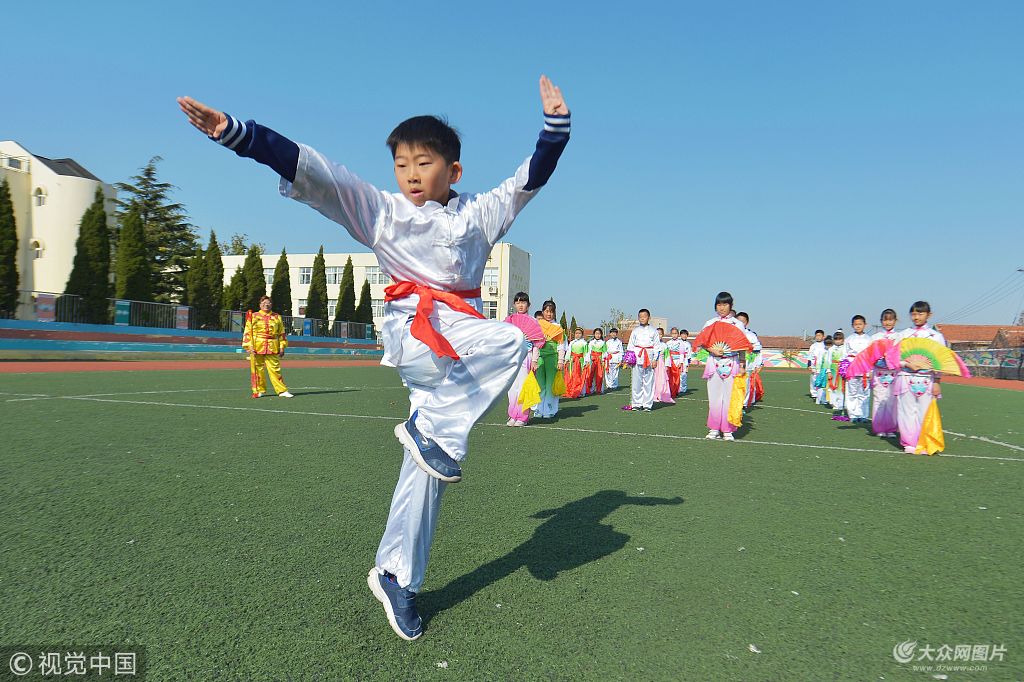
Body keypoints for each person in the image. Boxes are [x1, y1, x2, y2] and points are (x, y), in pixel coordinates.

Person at [178, 76, 571, 641]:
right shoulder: (381, 212)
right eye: (402, 164)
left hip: (457, 339)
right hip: (414, 332)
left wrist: (555, 129)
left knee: (428, 471)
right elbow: (318, 174)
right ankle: (432, 429)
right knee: (511, 339)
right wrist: (239, 135)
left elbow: (529, 179)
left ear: (454, 171)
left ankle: (395, 577)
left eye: (424, 163)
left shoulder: (480, 215)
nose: (411, 175)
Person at [895, 301, 947, 454]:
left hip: (927, 379)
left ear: (928, 315)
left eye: (920, 313)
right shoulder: (903, 334)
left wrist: (937, 381)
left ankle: (924, 441)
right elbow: (894, 357)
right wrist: (906, 363)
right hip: (906, 376)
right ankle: (909, 443)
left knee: (924, 411)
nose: (916, 317)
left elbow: (941, 360)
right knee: (906, 411)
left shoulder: (935, 336)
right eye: (914, 314)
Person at [696, 292, 746, 440]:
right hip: (714, 362)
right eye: (719, 304)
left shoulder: (738, 324)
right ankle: (714, 429)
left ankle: (728, 430)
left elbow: (742, 346)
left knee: (730, 397)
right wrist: (712, 350)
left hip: (733, 362)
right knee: (714, 397)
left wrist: (742, 364)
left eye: (725, 304)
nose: (722, 308)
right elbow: (703, 342)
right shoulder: (710, 323)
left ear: (731, 306)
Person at [504, 292, 544, 427]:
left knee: (523, 387)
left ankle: (523, 416)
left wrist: (534, 360)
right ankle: (512, 415)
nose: (521, 305)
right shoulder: (509, 320)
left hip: (526, 357)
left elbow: (537, 344)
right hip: (512, 357)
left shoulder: (533, 322)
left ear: (528, 305)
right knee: (511, 388)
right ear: (514, 304)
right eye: (518, 302)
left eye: (523, 302)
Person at [243, 295, 294, 398]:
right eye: (264, 303)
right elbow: (248, 332)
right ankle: (259, 390)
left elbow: (281, 333)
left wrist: (282, 346)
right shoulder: (253, 316)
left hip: (272, 345)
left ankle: (282, 391)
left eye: (268, 303)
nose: (266, 305)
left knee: (275, 369)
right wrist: (249, 346)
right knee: (257, 369)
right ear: (260, 304)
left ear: (271, 304)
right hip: (257, 346)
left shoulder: (276, 317)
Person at [534, 300, 567, 419]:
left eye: (552, 312)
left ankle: (549, 409)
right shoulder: (538, 325)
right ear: (543, 312)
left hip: (553, 358)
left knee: (550, 385)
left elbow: (561, 345)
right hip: (540, 359)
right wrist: (534, 360)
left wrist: (560, 361)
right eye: (547, 311)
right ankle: (538, 409)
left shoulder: (558, 327)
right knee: (540, 385)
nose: (549, 314)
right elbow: (535, 344)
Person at [870, 309, 900, 437]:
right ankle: (879, 427)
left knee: (892, 401)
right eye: (885, 319)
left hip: (894, 373)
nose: (888, 322)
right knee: (879, 399)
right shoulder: (875, 337)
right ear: (881, 321)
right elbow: (870, 355)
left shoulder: (900, 337)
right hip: (879, 373)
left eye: (891, 319)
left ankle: (891, 428)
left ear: (895, 321)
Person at [625, 309, 659, 411]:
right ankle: (636, 403)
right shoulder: (635, 331)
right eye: (640, 316)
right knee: (636, 381)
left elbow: (657, 346)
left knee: (648, 381)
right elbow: (630, 345)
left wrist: (655, 359)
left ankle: (647, 404)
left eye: (644, 316)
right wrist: (629, 359)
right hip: (637, 357)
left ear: (649, 317)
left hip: (649, 357)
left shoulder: (654, 331)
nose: (642, 318)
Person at [842, 315, 872, 423]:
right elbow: (844, 355)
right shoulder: (849, 339)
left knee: (864, 393)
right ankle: (853, 414)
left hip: (865, 368)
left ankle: (863, 414)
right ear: (852, 325)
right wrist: (844, 369)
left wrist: (871, 370)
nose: (858, 326)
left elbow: (872, 355)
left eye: (860, 324)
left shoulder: (870, 339)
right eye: (856, 324)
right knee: (852, 392)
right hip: (852, 368)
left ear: (865, 325)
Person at [735, 312, 763, 408]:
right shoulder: (730, 333)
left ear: (747, 323)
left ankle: (744, 404)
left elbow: (757, 349)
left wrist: (758, 364)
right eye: (738, 321)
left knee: (745, 383)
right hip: (732, 363)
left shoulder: (750, 335)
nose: (740, 323)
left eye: (743, 321)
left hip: (746, 363)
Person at [826, 330, 847, 419]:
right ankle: (835, 403)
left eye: (840, 339)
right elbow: (828, 360)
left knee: (842, 388)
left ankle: (841, 404)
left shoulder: (845, 348)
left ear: (843, 340)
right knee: (833, 387)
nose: (838, 341)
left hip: (842, 369)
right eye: (836, 339)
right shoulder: (831, 349)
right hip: (834, 369)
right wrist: (829, 371)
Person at [564, 328, 590, 398]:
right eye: (576, 333)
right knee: (572, 375)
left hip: (580, 361)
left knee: (580, 376)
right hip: (572, 361)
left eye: (579, 333)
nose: (577, 335)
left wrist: (586, 361)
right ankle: (573, 390)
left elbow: (586, 353)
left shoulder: (584, 343)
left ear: (582, 334)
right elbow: (569, 351)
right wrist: (566, 359)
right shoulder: (572, 342)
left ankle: (581, 391)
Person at [586, 328, 608, 394]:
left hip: (600, 360)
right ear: (594, 334)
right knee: (590, 374)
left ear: (601, 335)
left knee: (600, 375)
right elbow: (588, 351)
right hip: (592, 360)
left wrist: (603, 360)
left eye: (599, 334)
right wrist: (589, 358)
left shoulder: (603, 343)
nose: (598, 335)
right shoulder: (591, 342)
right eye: (596, 334)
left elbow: (605, 352)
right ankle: (590, 389)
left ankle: (599, 389)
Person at [808, 330, 826, 400]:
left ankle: (822, 394)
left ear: (823, 336)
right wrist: (809, 365)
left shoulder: (825, 345)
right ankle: (814, 394)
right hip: (814, 364)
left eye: (820, 335)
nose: (818, 337)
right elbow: (810, 356)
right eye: (817, 336)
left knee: (822, 378)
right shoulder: (813, 346)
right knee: (813, 379)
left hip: (823, 365)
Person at [677, 329, 692, 395]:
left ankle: (683, 388)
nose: (684, 336)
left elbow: (689, 354)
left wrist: (688, 363)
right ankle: (677, 388)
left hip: (685, 360)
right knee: (678, 374)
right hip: (678, 359)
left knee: (684, 375)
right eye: (683, 334)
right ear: (680, 335)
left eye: (685, 334)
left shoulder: (688, 344)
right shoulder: (678, 342)